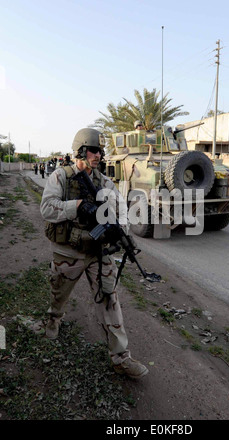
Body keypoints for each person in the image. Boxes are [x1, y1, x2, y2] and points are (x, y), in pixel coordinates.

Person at [40, 127, 148, 379]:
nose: (97, 154)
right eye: (93, 150)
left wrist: (119, 229)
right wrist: (77, 206)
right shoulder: (61, 177)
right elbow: (46, 208)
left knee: (110, 299)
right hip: (69, 249)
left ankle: (121, 358)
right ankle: (54, 319)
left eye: (100, 150)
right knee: (59, 292)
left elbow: (122, 211)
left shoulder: (106, 182)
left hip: (98, 254)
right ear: (80, 150)